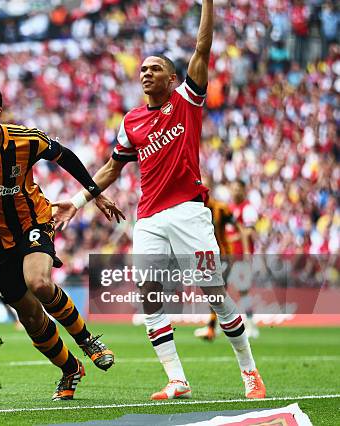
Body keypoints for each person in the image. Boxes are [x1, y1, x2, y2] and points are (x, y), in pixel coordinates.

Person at [53, 0, 266, 400]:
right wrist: (79, 200)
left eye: (155, 69)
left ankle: (250, 373)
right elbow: (112, 168)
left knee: (213, 292)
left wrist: (207, 4)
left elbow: (203, 47)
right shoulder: (131, 121)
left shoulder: (186, 101)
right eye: (144, 69)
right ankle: (176, 379)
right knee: (149, 294)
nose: (146, 73)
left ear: (172, 78)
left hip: (188, 211)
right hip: (148, 217)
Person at [0, 83, 124, 401]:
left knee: (40, 283)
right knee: (30, 316)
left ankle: (87, 340)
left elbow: (66, 157)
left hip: (33, 223)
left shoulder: (26, 139)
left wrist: (95, 194)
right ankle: (70, 369)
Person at [193, 176, 235, 341]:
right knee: (213, 292)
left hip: (222, 255)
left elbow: (236, 224)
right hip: (205, 256)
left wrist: (243, 248)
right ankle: (216, 326)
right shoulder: (195, 209)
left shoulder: (220, 208)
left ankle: (214, 327)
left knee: (217, 291)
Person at [226, 180, 259, 338]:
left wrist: (231, 240)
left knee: (243, 289)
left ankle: (251, 324)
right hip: (227, 256)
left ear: (244, 190)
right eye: (233, 189)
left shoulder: (248, 208)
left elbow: (248, 232)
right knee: (220, 289)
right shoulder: (229, 208)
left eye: (238, 188)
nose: (235, 192)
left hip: (241, 256)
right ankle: (222, 323)